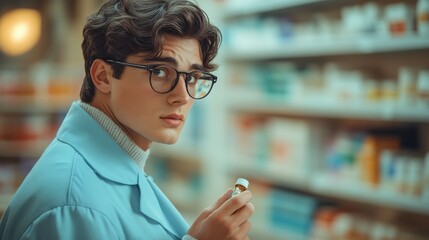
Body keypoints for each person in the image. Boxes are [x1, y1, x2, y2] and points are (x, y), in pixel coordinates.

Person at [0, 0, 254, 239]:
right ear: (103, 76)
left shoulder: (117, 166)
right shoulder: (75, 205)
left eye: (192, 77)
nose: (182, 96)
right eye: (160, 71)